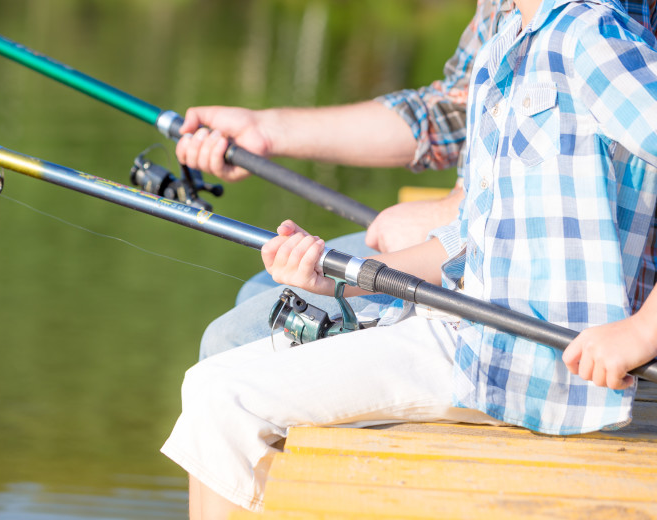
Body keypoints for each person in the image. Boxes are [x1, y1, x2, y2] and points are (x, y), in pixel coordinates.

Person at [163, 0, 657, 517]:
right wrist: (334, 278)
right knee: (207, 385)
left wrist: (642, 331)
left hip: (524, 363)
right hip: (459, 329)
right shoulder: (507, 42)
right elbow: (465, 241)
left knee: (225, 400)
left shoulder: (591, 37)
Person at [177, 0, 657, 359]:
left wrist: (453, 215)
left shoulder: (597, 29)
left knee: (233, 340)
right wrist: (266, 131)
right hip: (469, 248)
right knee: (264, 290)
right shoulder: (514, 14)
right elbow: (452, 107)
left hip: (554, 296)